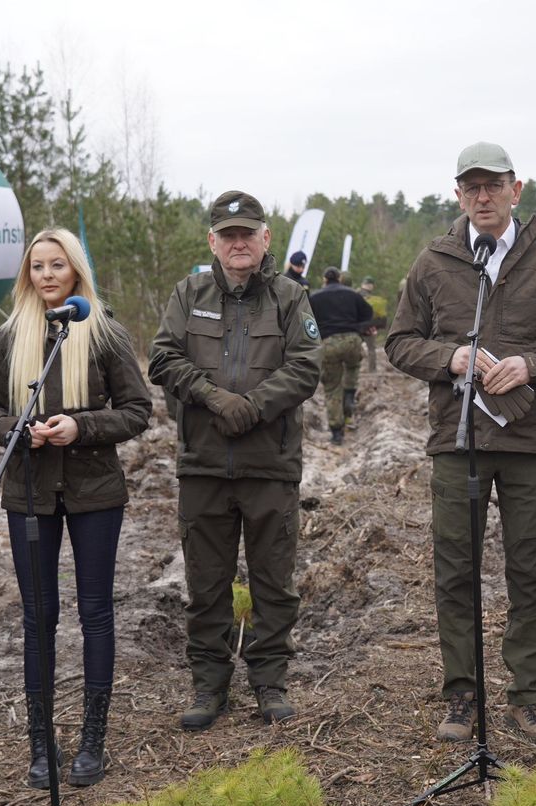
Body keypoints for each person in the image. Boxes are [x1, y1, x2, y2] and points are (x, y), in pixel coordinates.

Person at [386, 142, 536, 746]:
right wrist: (449, 357)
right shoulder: (434, 263)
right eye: (471, 187)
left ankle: (527, 694)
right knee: (456, 570)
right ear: (457, 195)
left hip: (529, 440)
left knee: (529, 571)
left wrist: (532, 365)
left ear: (516, 188)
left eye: (494, 185)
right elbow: (400, 342)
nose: (483, 196)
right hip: (458, 443)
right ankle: (461, 692)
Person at [0, 228, 151, 788]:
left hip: (95, 493)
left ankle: (92, 741)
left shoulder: (106, 334)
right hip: (28, 491)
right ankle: (40, 743)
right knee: (38, 618)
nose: (47, 275)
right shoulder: (9, 338)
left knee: (95, 612)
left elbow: (138, 410)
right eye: (37, 267)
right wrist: (14, 431)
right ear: (27, 275)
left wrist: (81, 427)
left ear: (76, 270)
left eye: (57, 265)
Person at [148, 190, 321, 731]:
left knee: (274, 581)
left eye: (248, 233)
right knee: (206, 582)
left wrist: (251, 407)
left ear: (266, 237)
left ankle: (270, 681)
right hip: (203, 465)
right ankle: (209, 685)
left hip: (270, 466)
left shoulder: (290, 297)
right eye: (229, 235)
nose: (239, 243)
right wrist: (212, 397)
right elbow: (162, 357)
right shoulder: (188, 292)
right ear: (213, 243)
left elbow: (306, 367)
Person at [308, 266, 373, 444]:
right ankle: (350, 395)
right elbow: (368, 314)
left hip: (328, 343)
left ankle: (337, 433)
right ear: (339, 278)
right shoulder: (353, 294)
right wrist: (359, 329)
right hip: (352, 340)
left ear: (324, 279)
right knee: (353, 366)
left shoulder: (314, 297)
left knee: (332, 388)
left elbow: (306, 322)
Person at [359, 276, 388, 372]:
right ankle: (372, 370)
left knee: (355, 347)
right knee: (371, 349)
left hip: (355, 326)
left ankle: (355, 368)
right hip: (368, 327)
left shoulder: (355, 294)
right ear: (371, 285)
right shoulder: (373, 299)